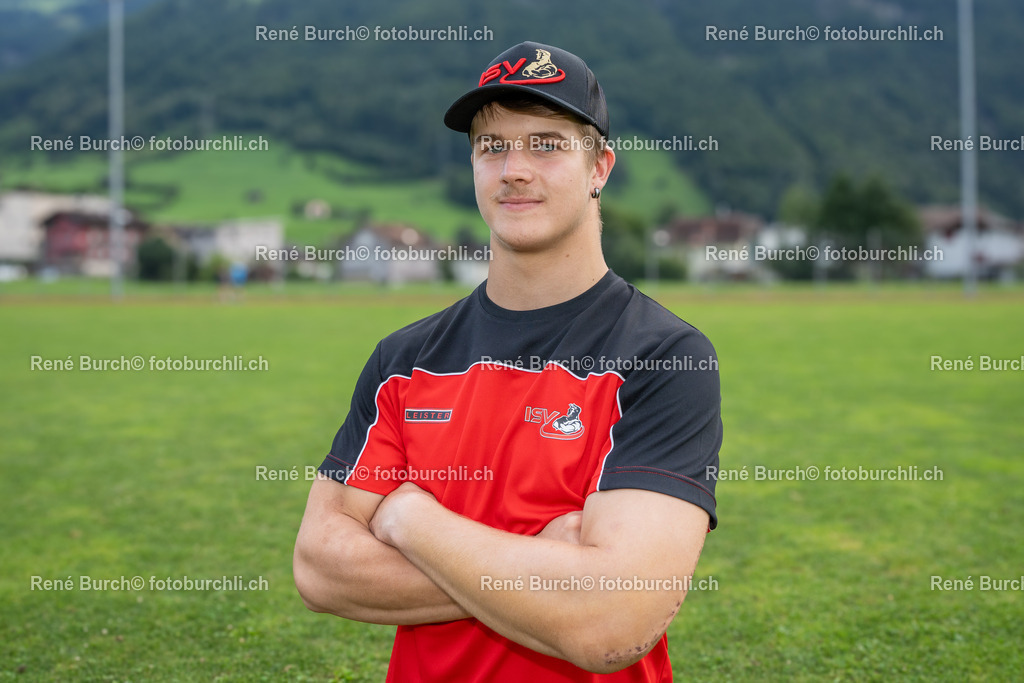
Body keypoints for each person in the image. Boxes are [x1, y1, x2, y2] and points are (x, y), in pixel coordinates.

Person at [293, 41, 722, 682]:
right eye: (492, 146)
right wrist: (548, 569)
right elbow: (320, 568)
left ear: (600, 166)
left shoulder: (664, 358)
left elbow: (614, 621)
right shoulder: (403, 361)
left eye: (546, 144)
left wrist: (411, 519)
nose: (513, 169)